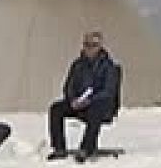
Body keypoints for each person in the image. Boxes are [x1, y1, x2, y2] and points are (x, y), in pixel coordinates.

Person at [47, 30, 120, 160]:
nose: (89, 48)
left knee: (96, 111)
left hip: (99, 104)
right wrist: (73, 100)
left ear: (100, 46)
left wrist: (90, 100)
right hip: (79, 103)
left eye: (93, 45)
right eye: (87, 44)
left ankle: (86, 148)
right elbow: (69, 86)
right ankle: (59, 148)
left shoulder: (109, 67)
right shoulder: (77, 65)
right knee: (56, 108)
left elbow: (109, 92)